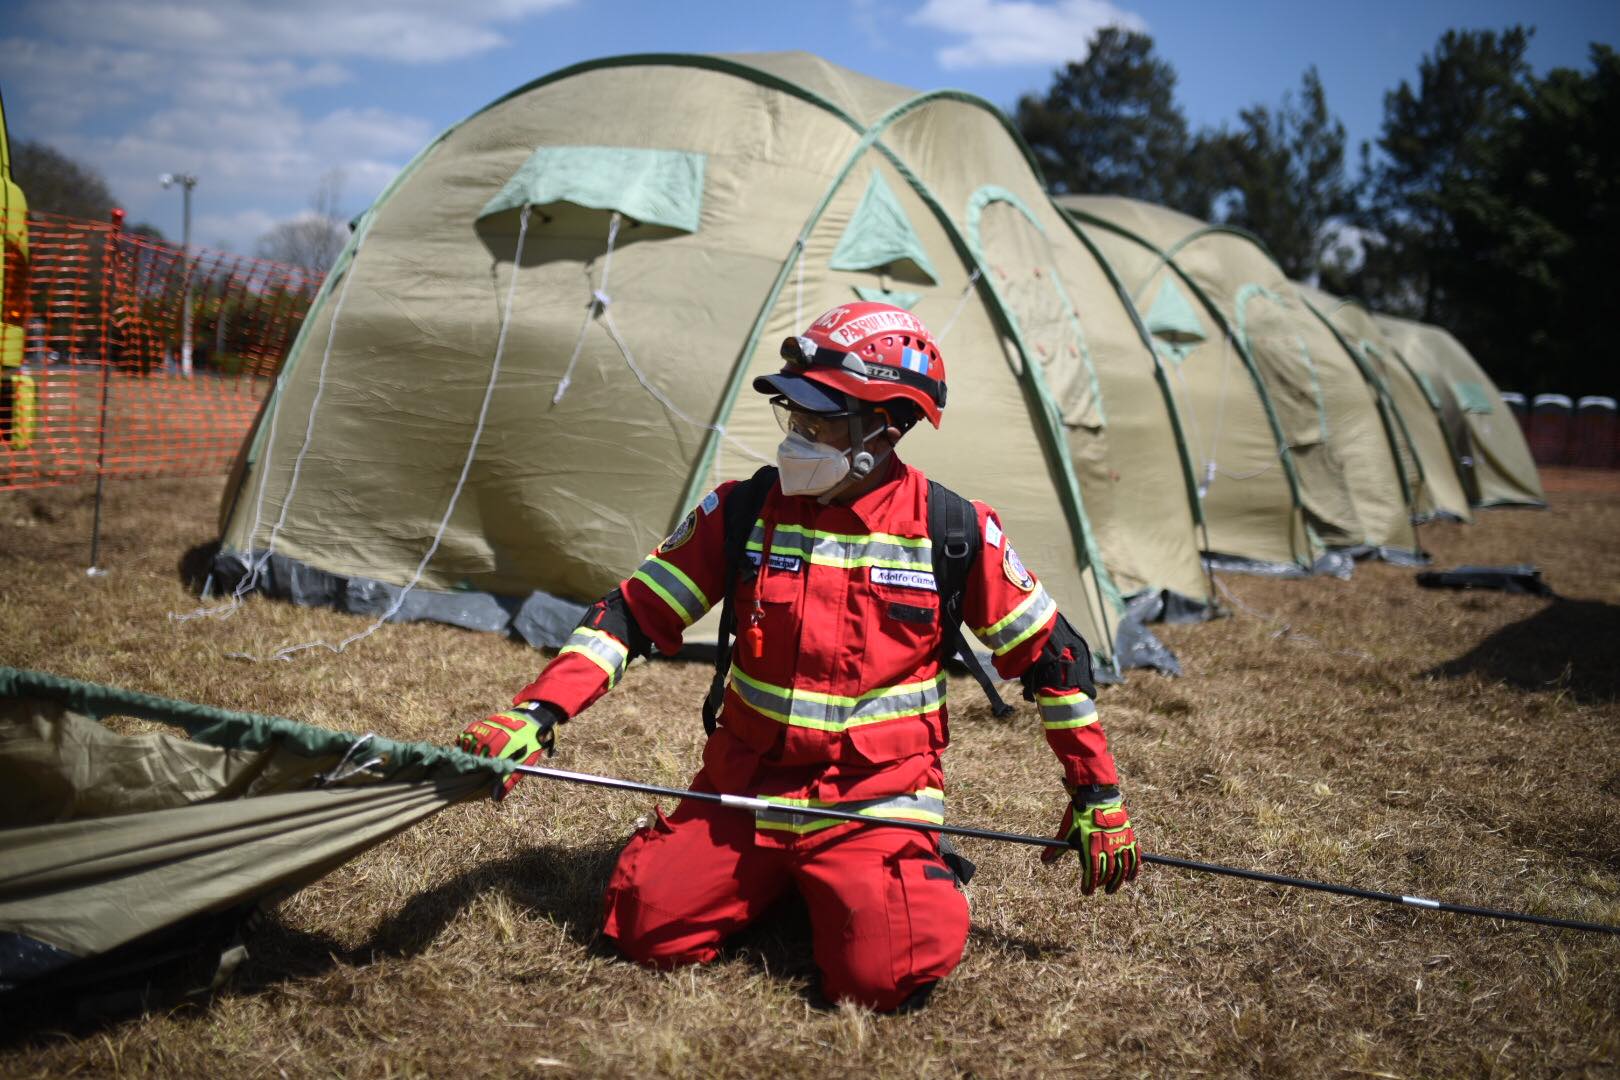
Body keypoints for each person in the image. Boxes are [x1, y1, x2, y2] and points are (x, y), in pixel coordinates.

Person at [459, 302, 1139, 1012]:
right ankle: (791, 886)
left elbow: (1053, 658)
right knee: (643, 928)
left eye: (823, 424)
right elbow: (632, 614)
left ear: (888, 427)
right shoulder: (744, 513)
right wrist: (538, 712)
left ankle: (903, 875)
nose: (800, 440)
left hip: (875, 798)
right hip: (744, 787)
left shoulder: (952, 532)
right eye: (797, 419)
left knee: (881, 981)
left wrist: (1098, 793)